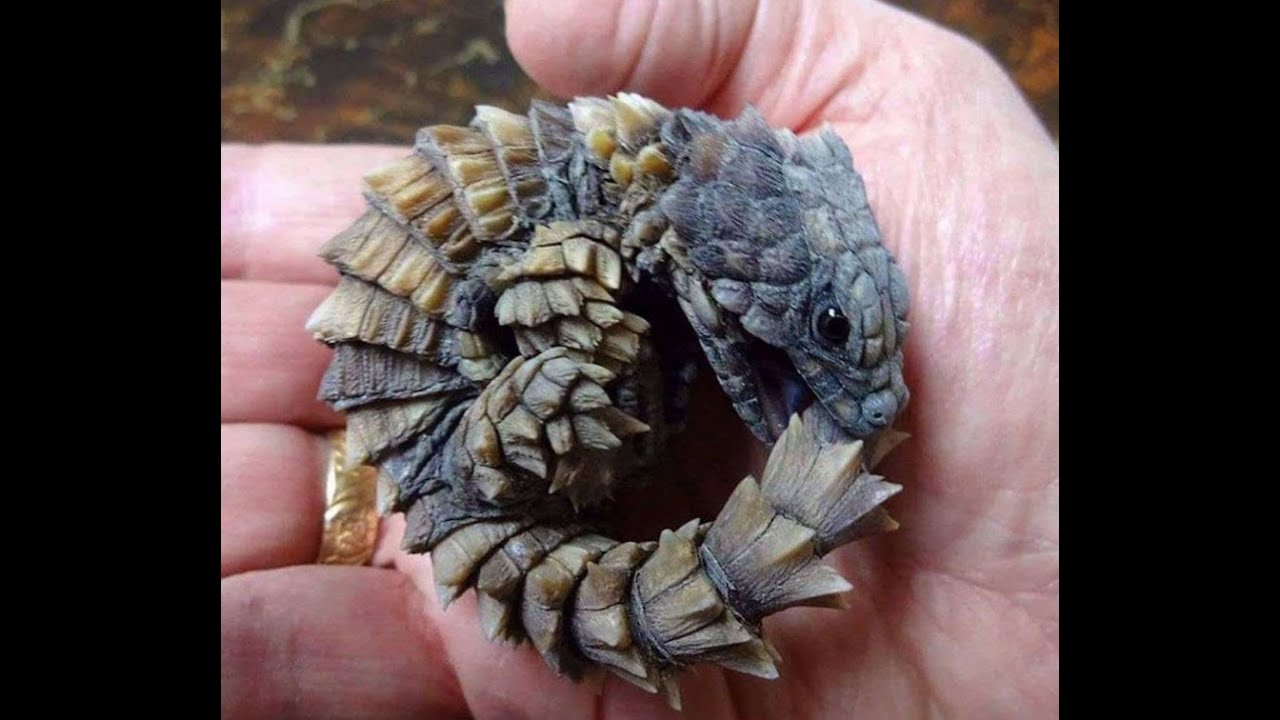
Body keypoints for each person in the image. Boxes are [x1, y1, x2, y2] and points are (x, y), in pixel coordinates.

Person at [220, 0, 1059, 716]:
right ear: (718, 234)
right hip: (457, 428)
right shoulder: (627, 216)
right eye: (828, 327)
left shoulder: (679, 205)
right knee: (572, 311)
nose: (874, 410)